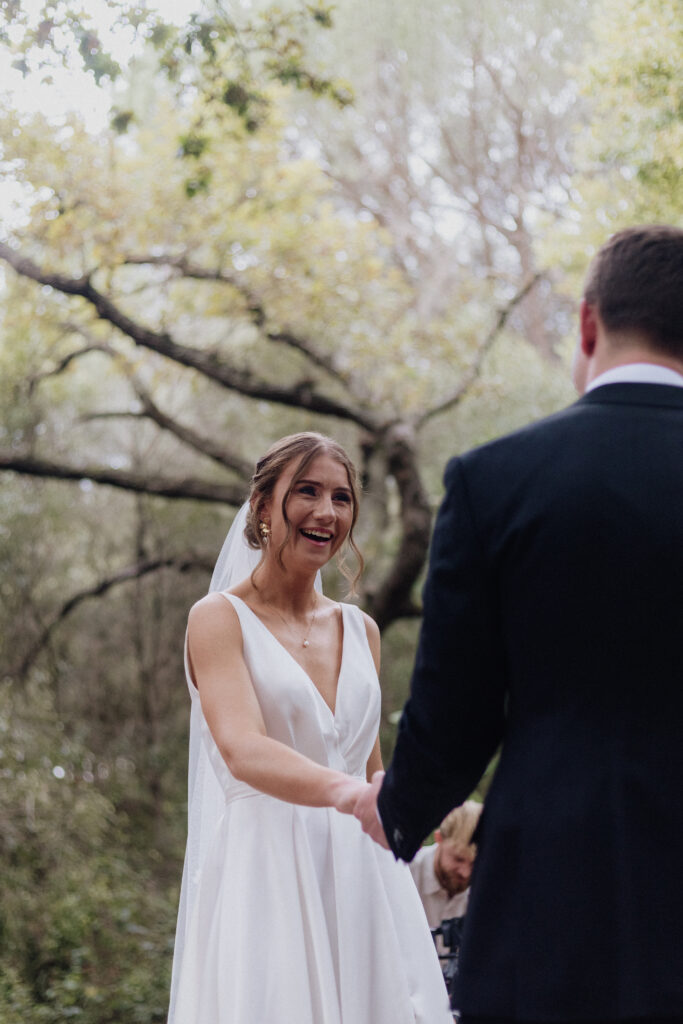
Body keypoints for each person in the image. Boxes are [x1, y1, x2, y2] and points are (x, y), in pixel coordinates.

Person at [354, 225, 683, 1024]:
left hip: (554, 884)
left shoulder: (493, 480)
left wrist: (397, 805)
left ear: (586, 325)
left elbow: (456, 710)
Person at [168, 432, 451, 1024]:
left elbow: (372, 766)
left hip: (365, 878)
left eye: (342, 497)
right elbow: (244, 748)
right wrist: (351, 796)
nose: (327, 511)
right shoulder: (218, 619)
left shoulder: (362, 629)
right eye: (307, 492)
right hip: (267, 870)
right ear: (262, 508)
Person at [409, 801, 482, 946]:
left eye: (475, 863)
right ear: (439, 839)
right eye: (458, 859)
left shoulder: (486, 886)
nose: (466, 873)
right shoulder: (408, 875)